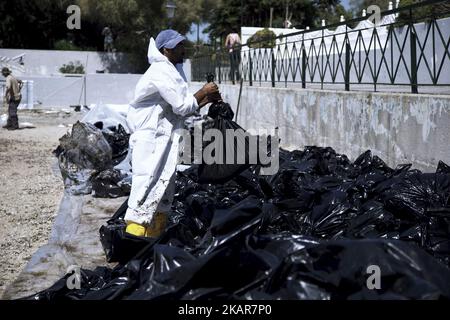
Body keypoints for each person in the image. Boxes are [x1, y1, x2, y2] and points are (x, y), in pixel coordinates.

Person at [124, 29, 220, 237]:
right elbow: (182, 106)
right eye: (178, 46)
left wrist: (207, 99)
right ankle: (133, 242)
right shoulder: (161, 71)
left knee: (164, 187)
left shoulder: (172, 70)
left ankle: (152, 241)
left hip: (163, 138)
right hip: (150, 138)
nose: (183, 49)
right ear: (166, 49)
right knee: (146, 187)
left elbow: (186, 108)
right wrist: (205, 91)